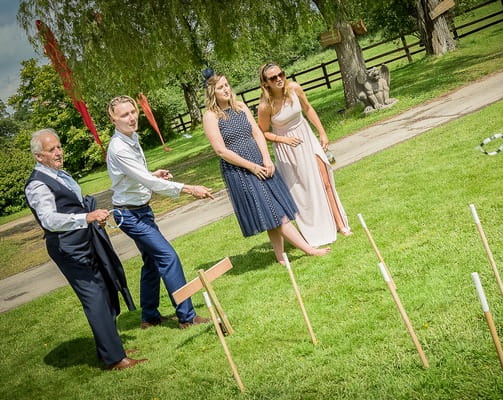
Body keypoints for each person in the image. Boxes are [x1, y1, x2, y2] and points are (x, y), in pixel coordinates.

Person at [25, 128, 147, 370]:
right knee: (95, 298)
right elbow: (49, 220)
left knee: (105, 289)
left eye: (59, 147)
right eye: (52, 150)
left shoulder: (59, 174)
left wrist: (90, 218)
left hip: (86, 240)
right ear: (39, 156)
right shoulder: (37, 185)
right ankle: (114, 359)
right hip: (69, 248)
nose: (59, 152)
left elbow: (73, 205)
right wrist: (86, 217)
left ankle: (110, 349)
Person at [106, 95, 214, 330]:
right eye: (124, 115)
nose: (132, 117)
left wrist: (152, 175)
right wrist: (189, 188)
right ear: (113, 119)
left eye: (133, 112)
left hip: (141, 210)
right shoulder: (118, 148)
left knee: (153, 262)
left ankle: (149, 316)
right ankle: (187, 317)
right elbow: (144, 180)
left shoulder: (131, 138)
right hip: (129, 215)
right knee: (168, 257)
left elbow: (135, 177)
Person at [202, 73, 330, 264]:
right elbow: (221, 151)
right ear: (212, 92)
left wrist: (266, 159)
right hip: (241, 170)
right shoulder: (211, 116)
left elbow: (258, 133)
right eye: (221, 88)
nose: (226, 89)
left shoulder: (240, 107)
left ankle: (280, 257)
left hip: (260, 162)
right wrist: (252, 167)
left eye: (227, 85)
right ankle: (309, 249)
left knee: (272, 208)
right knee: (275, 211)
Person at [257, 63, 351, 248]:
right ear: (265, 83)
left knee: (325, 181)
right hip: (288, 150)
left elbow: (308, 109)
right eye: (273, 78)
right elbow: (263, 132)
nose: (279, 79)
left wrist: (322, 133)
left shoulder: (294, 89)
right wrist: (282, 140)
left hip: (307, 138)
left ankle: (341, 225)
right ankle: (315, 229)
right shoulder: (265, 106)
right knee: (304, 191)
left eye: (281, 74)